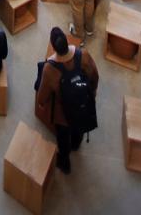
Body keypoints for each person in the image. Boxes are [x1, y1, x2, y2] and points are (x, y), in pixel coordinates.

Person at [34, 26, 99, 174]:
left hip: (63, 115)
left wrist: (41, 104)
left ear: (53, 46)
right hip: (83, 105)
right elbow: (95, 76)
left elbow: (42, 95)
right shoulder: (84, 55)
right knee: (78, 128)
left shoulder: (50, 68)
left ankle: (64, 162)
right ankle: (76, 144)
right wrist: (92, 93)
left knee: (63, 138)